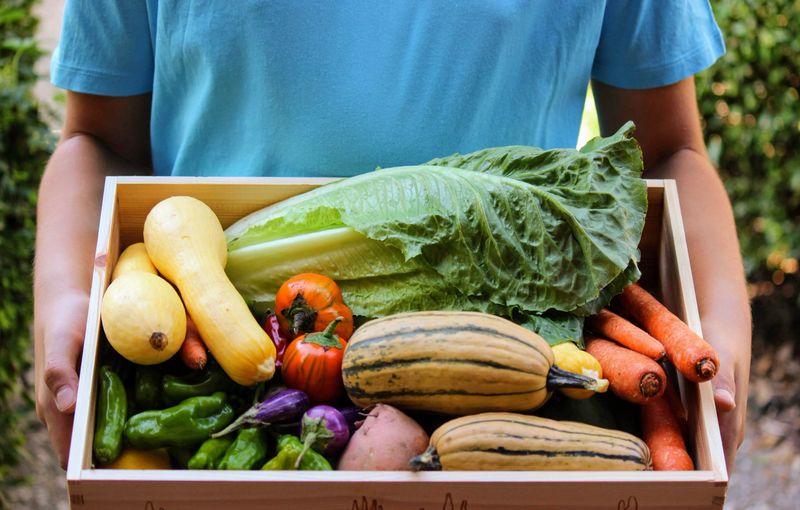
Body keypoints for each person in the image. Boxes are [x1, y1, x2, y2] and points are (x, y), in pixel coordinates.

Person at [35, 1, 750, 475]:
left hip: (507, 387)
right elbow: (98, 138)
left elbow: (666, 155)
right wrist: (68, 293)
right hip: (216, 361)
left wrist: (720, 325)